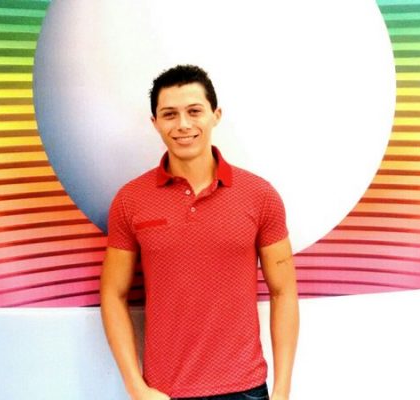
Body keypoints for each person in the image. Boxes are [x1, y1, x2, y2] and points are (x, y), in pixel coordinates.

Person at [101, 65, 299, 400]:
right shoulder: (130, 200)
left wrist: (282, 391)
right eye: (169, 114)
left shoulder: (259, 195)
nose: (183, 124)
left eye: (194, 111)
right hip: (165, 391)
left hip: (245, 389)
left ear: (215, 115)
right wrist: (136, 387)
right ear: (155, 122)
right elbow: (112, 294)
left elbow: (284, 292)